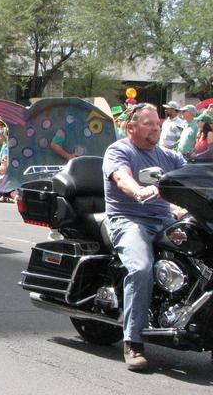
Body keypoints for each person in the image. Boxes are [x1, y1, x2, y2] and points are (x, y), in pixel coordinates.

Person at [102, 103, 186, 371]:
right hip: (127, 220)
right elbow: (121, 176)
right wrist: (137, 190)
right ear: (131, 127)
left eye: (158, 123)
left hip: (163, 220)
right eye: (149, 123)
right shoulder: (120, 150)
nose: (156, 127)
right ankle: (133, 340)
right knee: (140, 267)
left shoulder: (169, 156)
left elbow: (190, 176)